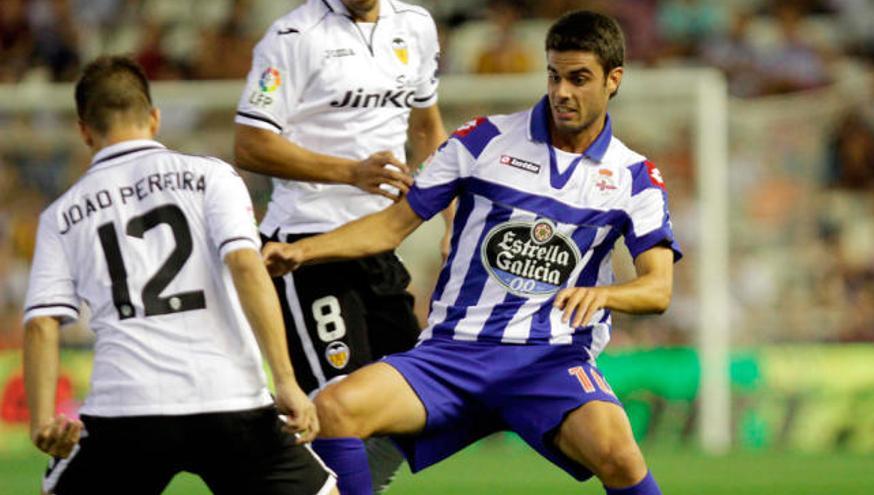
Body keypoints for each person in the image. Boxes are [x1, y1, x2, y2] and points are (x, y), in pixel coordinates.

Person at [264, 10, 681, 495]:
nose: (562, 91)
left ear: (614, 80)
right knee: (334, 410)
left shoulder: (633, 177)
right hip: (454, 355)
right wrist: (303, 252)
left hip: (549, 360)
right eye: (554, 75)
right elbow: (390, 226)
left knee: (620, 455)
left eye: (579, 79)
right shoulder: (482, 139)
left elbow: (658, 288)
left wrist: (606, 294)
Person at [22, 56, 338, 495]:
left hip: (127, 407)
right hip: (230, 397)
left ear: (83, 130)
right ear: (154, 117)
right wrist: (285, 380)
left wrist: (42, 421)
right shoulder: (212, 176)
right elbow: (246, 266)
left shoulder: (61, 215)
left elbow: (41, 323)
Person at [233, 0, 449, 492]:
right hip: (307, 247)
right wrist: (349, 172)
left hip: (379, 246)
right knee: (335, 410)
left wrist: (451, 216)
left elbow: (426, 127)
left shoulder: (415, 26)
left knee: (416, 407)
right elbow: (249, 143)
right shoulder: (293, 36)